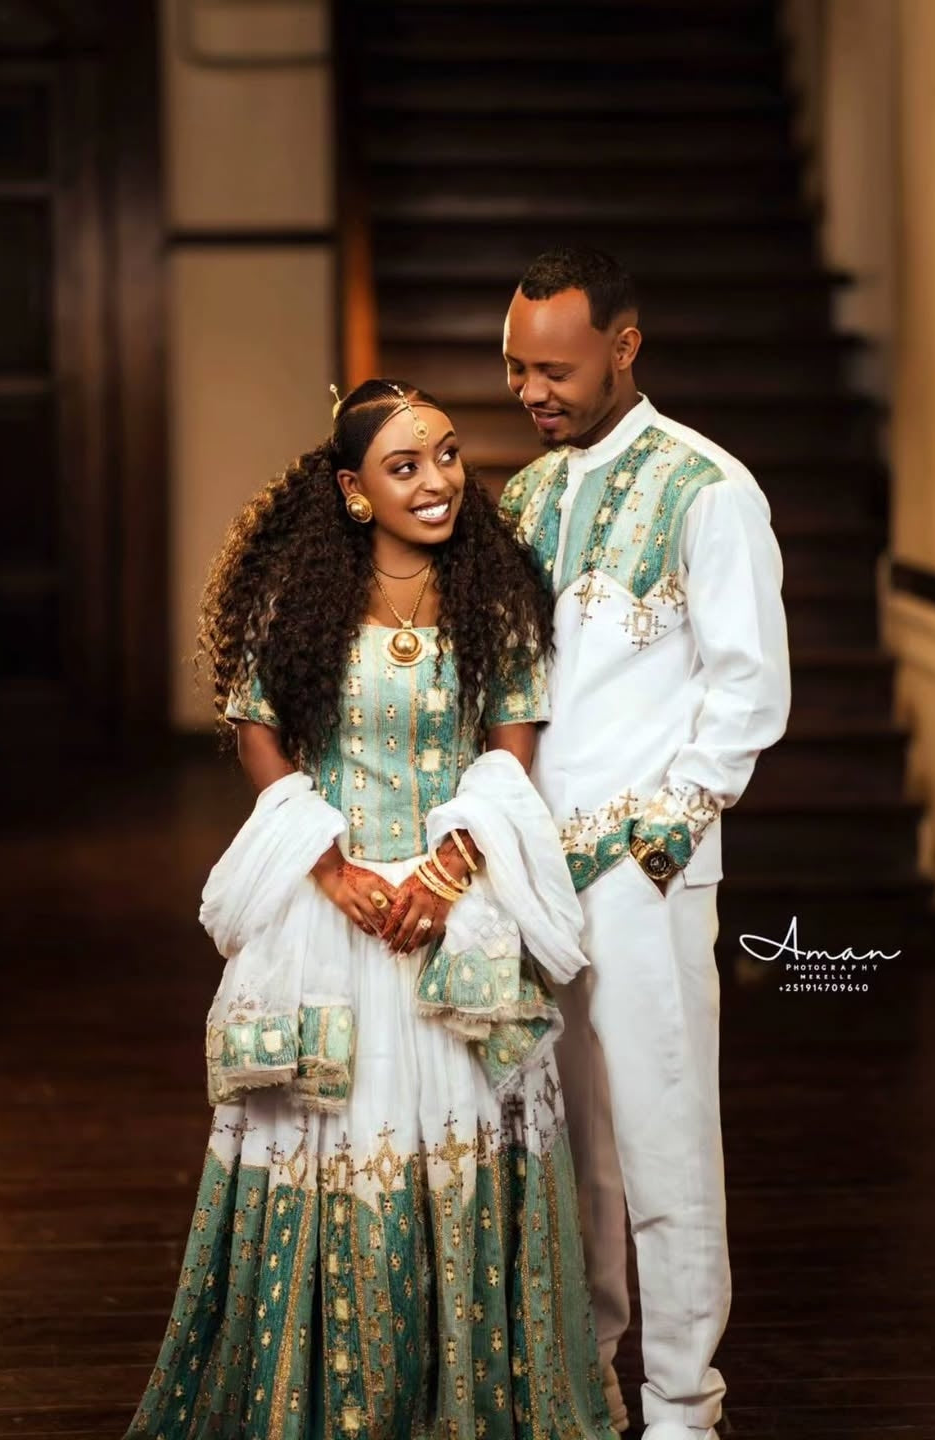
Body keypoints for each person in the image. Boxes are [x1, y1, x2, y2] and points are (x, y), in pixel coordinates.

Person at [124, 378, 618, 1440]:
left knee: (463, 1138)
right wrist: (330, 864)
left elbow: (510, 743)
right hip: (333, 913)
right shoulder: (303, 605)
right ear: (355, 493)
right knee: (334, 1135)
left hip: (455, 902)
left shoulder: (494, 596)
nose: (437, 480)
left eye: (446, 455)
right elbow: (258, 725)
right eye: (405, 466)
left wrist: (447, 872)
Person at [499, 250, 792, 1440]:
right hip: (530, 874)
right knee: (564, 1143)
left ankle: (682, 1404)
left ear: (625, 345)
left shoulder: (708, 489)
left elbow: (749, 687)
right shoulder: (521, 498)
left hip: (643, 871)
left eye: (555, 369)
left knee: (665, 1135)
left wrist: (663, 840)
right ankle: (585, 1379)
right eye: (516, 368)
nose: (533, 391)